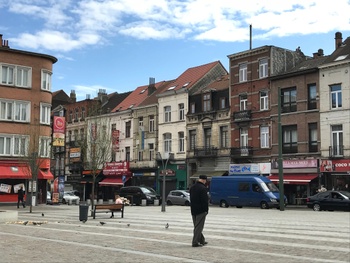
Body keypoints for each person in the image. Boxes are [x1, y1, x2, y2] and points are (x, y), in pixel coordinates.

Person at [189, 175, 209, 247]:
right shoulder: (203, 188)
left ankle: (202, 240)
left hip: (193, 209)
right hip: (201, 210)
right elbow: (204, 201)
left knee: (196, 226)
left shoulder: (192, 187)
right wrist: (206, 210)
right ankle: (195, 242)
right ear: (204, 180)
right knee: (199, 227)